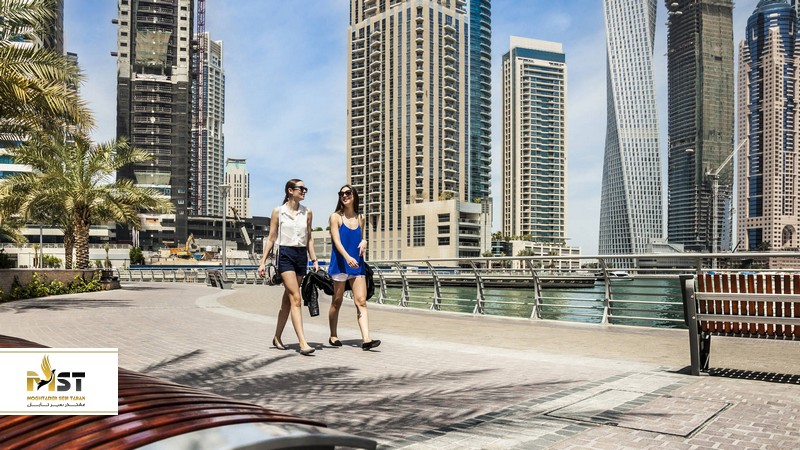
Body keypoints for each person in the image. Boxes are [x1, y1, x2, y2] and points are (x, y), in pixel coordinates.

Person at [258, 179, 319, 355]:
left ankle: (277, 337)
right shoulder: (278, 211)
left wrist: (314, 259)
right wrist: (262, 262)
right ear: (290, 191)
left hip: (301, 256)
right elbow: (271, 237)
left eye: (305, 189)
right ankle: (303, 343)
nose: (304, 191)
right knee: (296, 298)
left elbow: (309, 238)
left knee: (288, 300)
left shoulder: (307, 212)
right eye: (301, 188)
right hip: (285, 254)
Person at [327, 185, 380, 351]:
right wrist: (347, 257)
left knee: (361, 301)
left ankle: (366, 339)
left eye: (348, 193)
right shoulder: (335, 217)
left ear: (354, 196)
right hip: (340, 264)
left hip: (357, 265)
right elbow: (336, 240)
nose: (344, 196)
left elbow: (361, 237)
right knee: (337, 301)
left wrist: (365, 241)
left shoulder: (360, 218)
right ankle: (333, 335)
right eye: (341, 193)